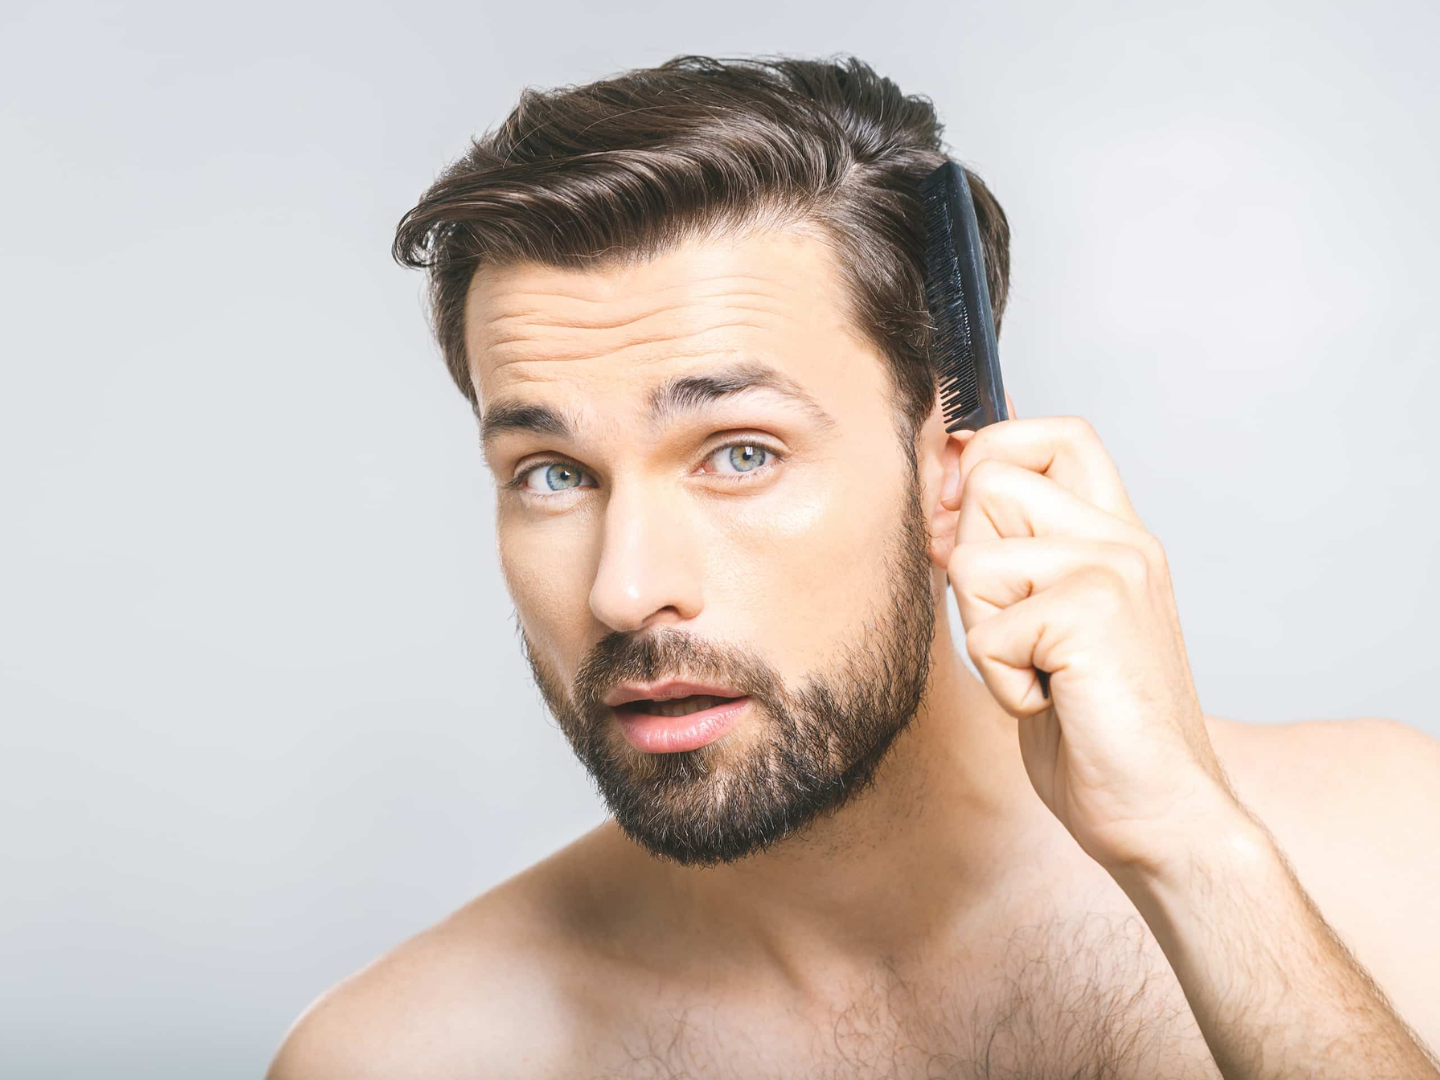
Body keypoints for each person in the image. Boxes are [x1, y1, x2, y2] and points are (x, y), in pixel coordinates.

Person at [266, 55, 1440, 1078]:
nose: (624, 591)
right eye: (553, 474)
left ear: (953, 465)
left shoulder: (1392, 847)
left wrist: (1198, 856)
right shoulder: (409, 1054)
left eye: (738, 452)